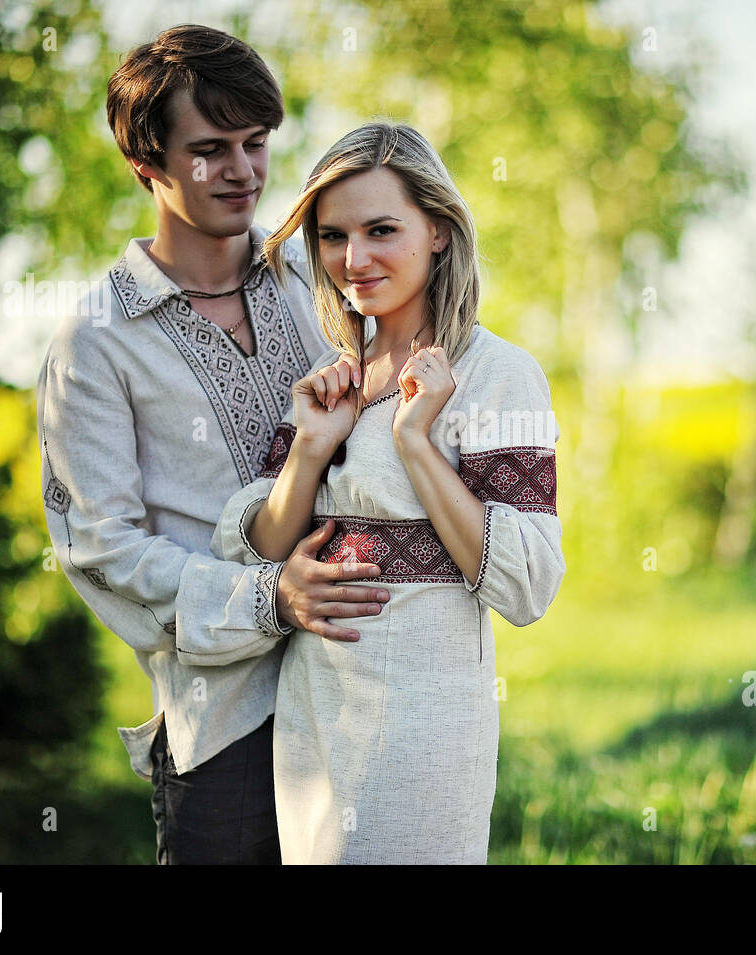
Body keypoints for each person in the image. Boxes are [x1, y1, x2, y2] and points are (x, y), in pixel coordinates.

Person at [36, 24, 388, 864]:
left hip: (365, 690)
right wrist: (271, 596)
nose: (242, 170)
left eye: (256, 143)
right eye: (209, 149)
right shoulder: (95, 341)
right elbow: (103, 549)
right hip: (226, 728)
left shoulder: (322, 277)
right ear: (145, 164)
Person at [210, 122, 565, 863]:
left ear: (437, 230)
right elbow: (262, 547)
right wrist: (310, 443)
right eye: (334, 236)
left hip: (423, 727)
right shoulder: (332, 380)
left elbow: (529, 584)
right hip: (313, 720)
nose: (353, 259)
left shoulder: (499, 373)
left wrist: (415, 441)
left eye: (380, 229)